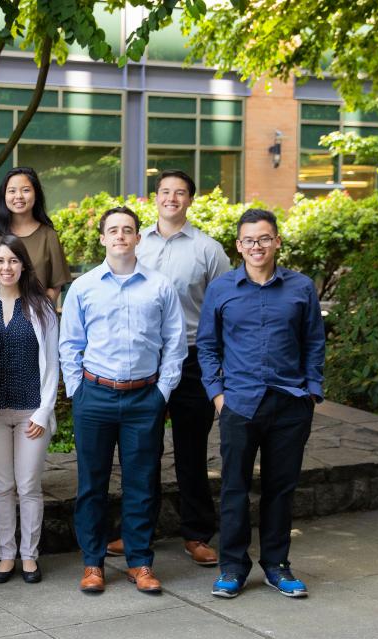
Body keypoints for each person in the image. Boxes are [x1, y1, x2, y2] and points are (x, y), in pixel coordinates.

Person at [105, 169, 231, 565]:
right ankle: (137, 529)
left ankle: (197, 533)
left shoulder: (209, 250)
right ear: (155, 198)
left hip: (192, 360)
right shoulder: (136, 245)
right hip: (145, 362)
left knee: (192, 451)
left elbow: (225, 307)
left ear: (191, 200)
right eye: (164, 192)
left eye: (179, 193)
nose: (171, 198)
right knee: (142, 451)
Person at [197, 209, 325, 600]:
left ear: (277, 242)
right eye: (249, 240)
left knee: (280, 489)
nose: (257, 246)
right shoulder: (221, 289)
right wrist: (218, 395)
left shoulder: (301, 287)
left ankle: (276, 565)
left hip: (290, 403)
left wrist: (312, 391)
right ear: (239, 246)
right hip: (239, 403)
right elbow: (206, 346)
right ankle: (232, 567)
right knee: (234, 488)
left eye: (265, 238)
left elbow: (315, 342)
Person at [59, 206, 186, 594]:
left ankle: (140, 562)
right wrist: (78, 390)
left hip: (143, 398)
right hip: (94, 396)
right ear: (102, 238)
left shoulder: (160, 286)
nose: (120, 236)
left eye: (127, 230)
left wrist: (160, 393)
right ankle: (93, 563)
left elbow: (175, 345)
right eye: (112, 230)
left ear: (137, 238)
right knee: (91, 485)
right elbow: (70, 345)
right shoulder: (83, 287)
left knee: (142, 483)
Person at [0, 235, 59, 585]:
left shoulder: (41, 307)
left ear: (23, 265)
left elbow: (53, 363)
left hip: (31, 414)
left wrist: (43, 411)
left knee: (28, 486)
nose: (6, 267)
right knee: (4, 486)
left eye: (12, 261)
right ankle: (6, 555)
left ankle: (29, 557)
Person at [0, 167, 71, 302]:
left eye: (26, 190)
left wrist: (38, 313)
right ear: (4, 195)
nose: (19, 196)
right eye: (12, 191)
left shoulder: (48, 235)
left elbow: (55, 286)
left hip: (36, 317)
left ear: (36, 194)